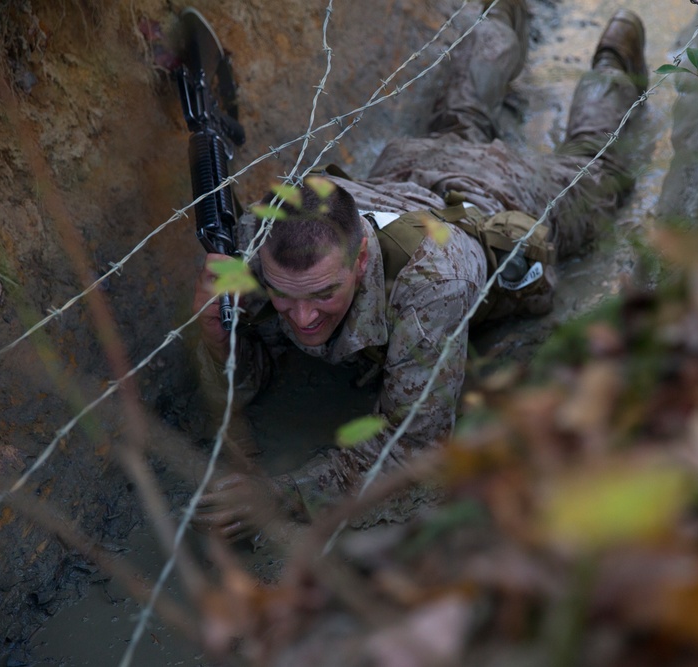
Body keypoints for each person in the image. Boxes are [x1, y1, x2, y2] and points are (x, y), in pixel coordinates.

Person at [189, 1, 649, 541]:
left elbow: (413, 451)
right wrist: (220, 337)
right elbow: (257, 371)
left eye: (323, 293)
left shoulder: (434, 286)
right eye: (284, 296)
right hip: (412, 168)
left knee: (597, 167)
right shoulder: (258, 240)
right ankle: (500, 17)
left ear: (360, 260)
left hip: (497, 192)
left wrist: (283, 495)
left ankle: (615, 58)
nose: (302, 317)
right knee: (459, 123)